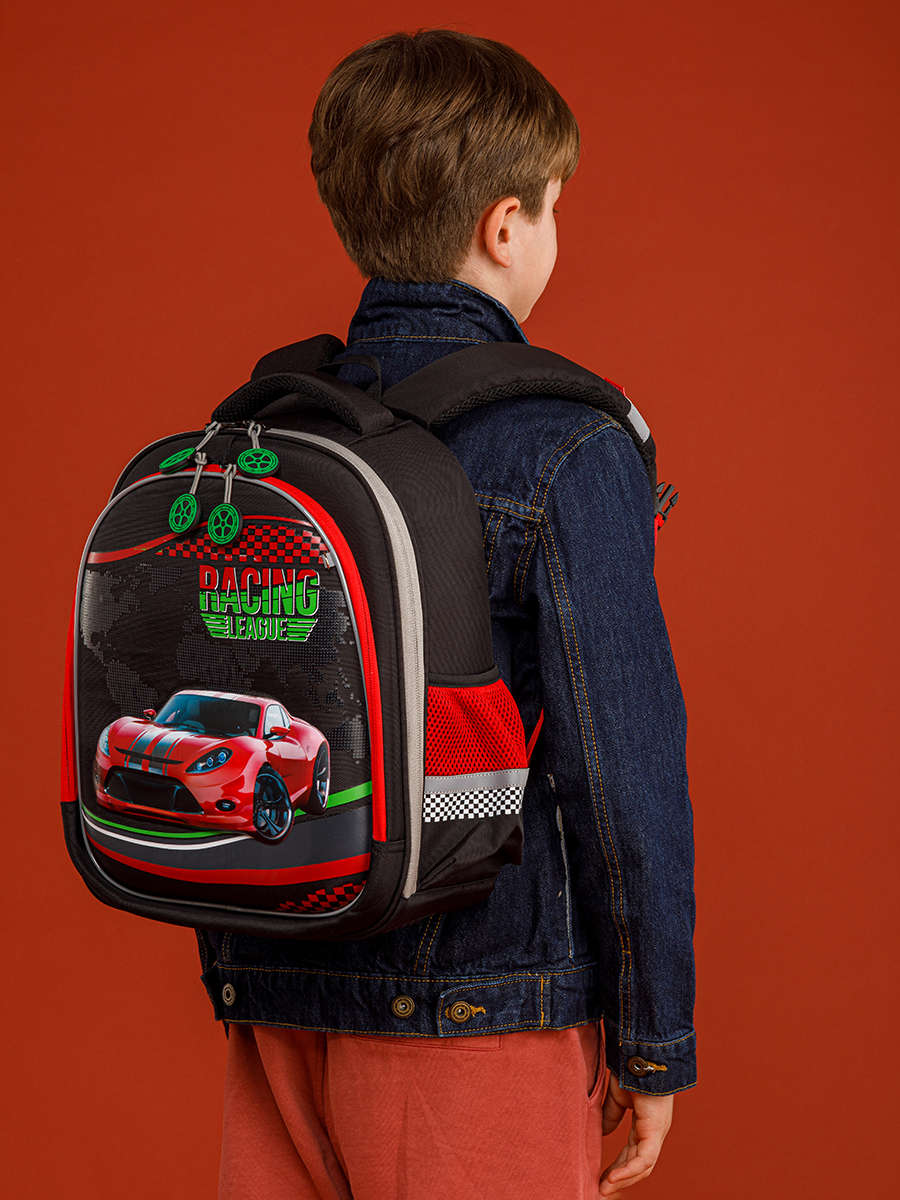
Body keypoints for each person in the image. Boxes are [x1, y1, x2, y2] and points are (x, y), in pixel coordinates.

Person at [200, 29, 695, 1200]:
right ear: (506, 225)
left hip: (275, 987)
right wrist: (654, 1038)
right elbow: (622, 769)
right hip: (480, 1009)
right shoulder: (567, 441)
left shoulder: (265, 431)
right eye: (557, 206)